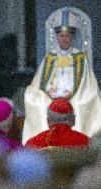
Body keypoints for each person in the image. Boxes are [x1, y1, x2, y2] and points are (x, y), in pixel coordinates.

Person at [23, 7, 101, 144]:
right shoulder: (50, 57)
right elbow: (42, 80)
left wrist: (70, 92)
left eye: (67, 36)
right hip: (51, 94)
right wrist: (49, 90)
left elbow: (85, 82)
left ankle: (79, 138)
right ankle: (42, 140)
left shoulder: (79, 57)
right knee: (35, 98)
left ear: (72, 38)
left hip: (75, 94)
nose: (64, 39)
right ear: (57, 37)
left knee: (83, 100)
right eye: (61, 36)